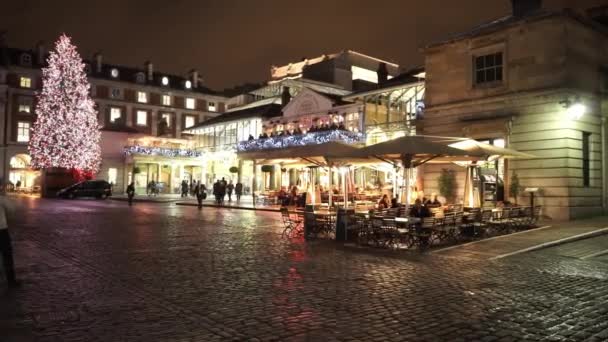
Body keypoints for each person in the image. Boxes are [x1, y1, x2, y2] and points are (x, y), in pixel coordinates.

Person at [0, 195, 18, 288]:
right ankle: (11, 281)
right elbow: (12, 208)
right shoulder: (1, 199)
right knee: (7, 255)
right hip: (2, 231)